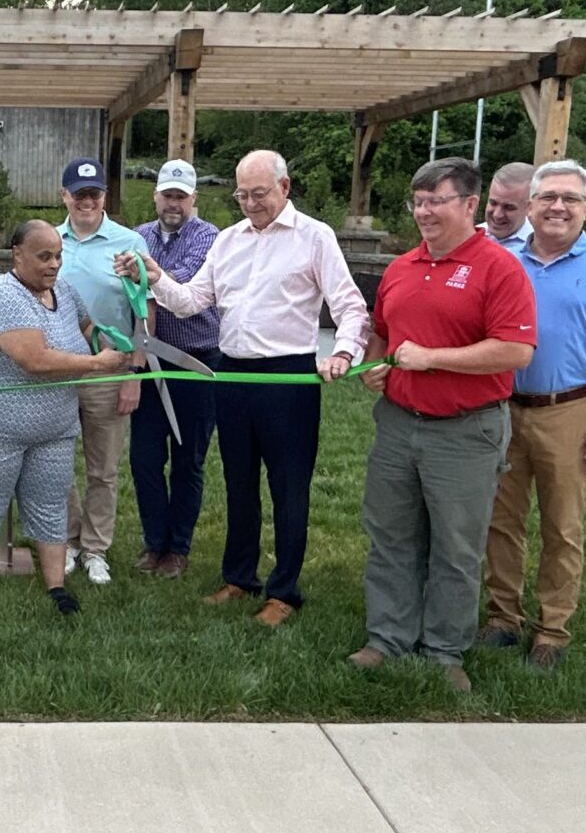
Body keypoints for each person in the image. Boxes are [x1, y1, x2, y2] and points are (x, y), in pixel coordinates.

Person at [120, 150, 367, 627]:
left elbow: (349, 306)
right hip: (231, 374)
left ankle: (284, 592)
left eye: (259, 194)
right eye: (242, 195)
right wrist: (156, 277)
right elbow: (192, 301)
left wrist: (343, 352)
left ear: (284, 188)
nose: (251, 204)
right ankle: (239, 577)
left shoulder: (315, 236)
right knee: (238, 483)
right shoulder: (229, 240)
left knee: (288, 488)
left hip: (288, 378)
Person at [348, 161, 537, 689]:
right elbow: (381, 331)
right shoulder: (401, 267)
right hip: (397, 423)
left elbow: (516, 350)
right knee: (390, 535)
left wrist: (432, 359)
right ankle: (388, 637)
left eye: (437, 201)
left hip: (465, 430)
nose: (424, 212)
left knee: (456, 545)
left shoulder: (498, 268)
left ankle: (444, 651)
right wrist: (375, 364)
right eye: (418, 201)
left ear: (470, 205)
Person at [479, 158, 586, 670]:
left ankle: (551, 630)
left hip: (568, 409)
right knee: (500, 520)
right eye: (548, 197)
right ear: (530, 205)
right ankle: (502, 618)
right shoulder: (499, 258)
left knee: (562, 525)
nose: (558, 207)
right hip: (501, 406)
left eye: (570, 198)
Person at [0, 221, 136, 614]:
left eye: (58, 256)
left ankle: (56, 587)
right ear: (17, 254)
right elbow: (33, 358)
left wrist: (115, 342)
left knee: (51, 504)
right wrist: (97, 364)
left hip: (54, 427)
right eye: (44, 256)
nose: (54, 264)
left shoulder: (64, 291)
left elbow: (87, 326)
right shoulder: (2, 294)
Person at [54, 156, 147, 585]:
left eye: (94, 194)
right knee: (55, 462)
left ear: (104, 197)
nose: (86, 201)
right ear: (65, 196)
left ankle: (95, 548)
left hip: (110, 368)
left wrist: (135, 373)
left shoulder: (130, 243)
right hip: (57, 368)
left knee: (103, 468)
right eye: (79, 194)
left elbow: (144, 311)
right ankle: (68, 539)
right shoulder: (49, 240)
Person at [131, 159, 220, 580]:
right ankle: (155, 542)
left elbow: (183, 282)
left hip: (196, 360)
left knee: (189, 459)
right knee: (144, 458)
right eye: (167, 195)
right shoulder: (139, 236)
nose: (173, 204)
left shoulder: (210, 238)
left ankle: (178, 548)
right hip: (149, 360)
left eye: (181, 197)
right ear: (156, 196)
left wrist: (141, 272)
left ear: (194, 199)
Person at [481, 161, 536, 246]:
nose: (497, 215)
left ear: (530, 207)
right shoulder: (471, 237)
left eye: (508, 207)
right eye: (493, 203)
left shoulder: (538, 247)